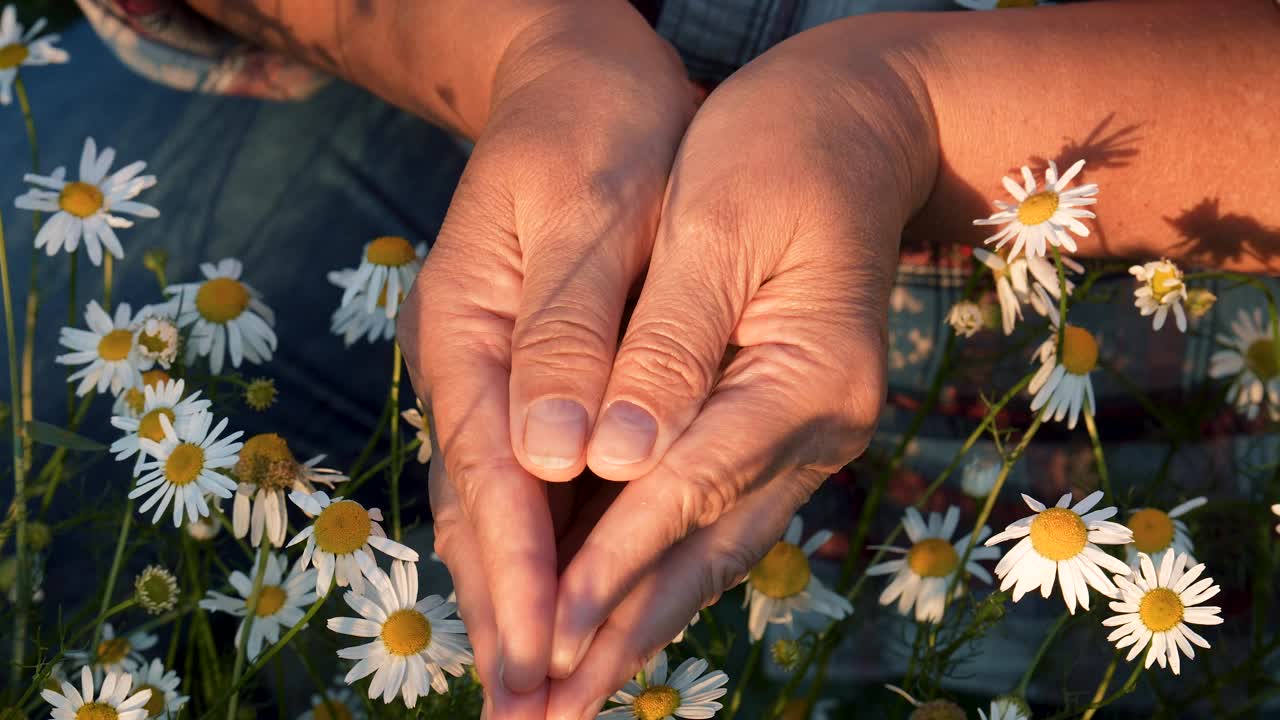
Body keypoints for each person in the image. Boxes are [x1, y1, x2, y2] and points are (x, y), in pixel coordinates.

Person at [64, 0, 1280, 718]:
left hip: (1101, 359)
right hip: (468, 129)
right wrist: (532, 46)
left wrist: (898, 106)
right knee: (89, 573)